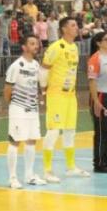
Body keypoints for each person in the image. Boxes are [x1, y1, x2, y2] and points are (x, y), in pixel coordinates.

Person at [39, 17, 88, 181]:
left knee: (70, 131)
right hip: (56, 95)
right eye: (73, 25)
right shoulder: (55, 47)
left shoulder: (74, 47)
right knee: (53, 131)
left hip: (70, 96)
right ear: (64, 29)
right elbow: (44, 69)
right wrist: (43, 90)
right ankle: (47, 171)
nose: (76, 28)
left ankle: (71, 167)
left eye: (77, 25)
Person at [4, 34, 42, 188]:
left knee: (32, 140)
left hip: (33, 109)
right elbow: (7, 90)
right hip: (18, 109)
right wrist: (14, 106)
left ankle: (29, 175)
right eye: (32, 43)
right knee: (15, 141)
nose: (36, 46)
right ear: (24, 47)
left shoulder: (36, 65)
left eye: (36, 43)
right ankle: (12, 177)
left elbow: (36, 86)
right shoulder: (16, 66)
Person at [86, 30, 107, 171]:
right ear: (98, 43)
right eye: (106, 39)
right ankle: (99, 162)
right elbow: (92, 81)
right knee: (101, 130)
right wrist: (96, 101)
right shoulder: (95, 58)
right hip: (102, 96)